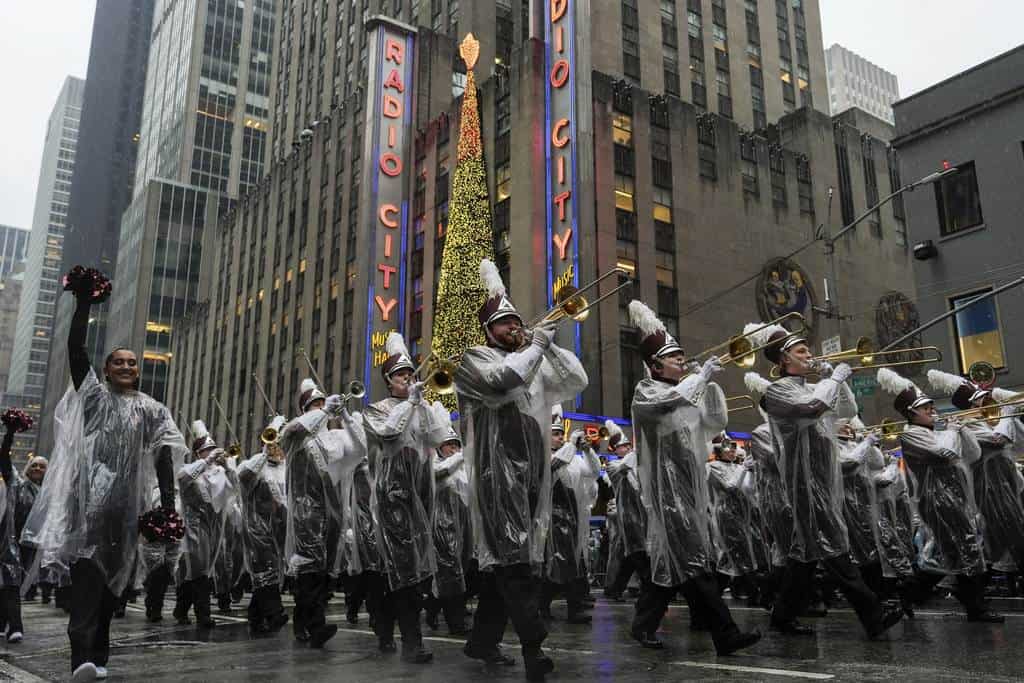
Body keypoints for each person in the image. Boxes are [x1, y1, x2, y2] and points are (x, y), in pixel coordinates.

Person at [21, 267, 187, 683]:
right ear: (108, 370)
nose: (127, 366)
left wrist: (166, 509)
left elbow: (165, 458)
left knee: (112, 593)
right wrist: (83, 305)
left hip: (125, 518)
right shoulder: (94, 398)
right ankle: (81, 663)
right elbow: (77, 352)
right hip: (89, 513)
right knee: (86, 592)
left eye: (133, 361)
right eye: (118, 362)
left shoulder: (152, 409)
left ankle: (99, 659)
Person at [457, 259, 588, 682]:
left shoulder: (534, 357)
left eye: (517, 321)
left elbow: (577, 379)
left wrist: (547, 344)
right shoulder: (473, 358)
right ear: (488, 331)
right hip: (496, 477)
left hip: (532, 473)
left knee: (508, 564)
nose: (514, 328)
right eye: (505, 324)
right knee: (515, 564)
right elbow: (502, 381)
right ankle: (534, 647)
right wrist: (534, 347)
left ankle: (482, 641)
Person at [626, 300, 760, 654]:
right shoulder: (647, 392)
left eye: (682, 358)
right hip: (666, 492)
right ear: (655, 364)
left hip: (689, 488)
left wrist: (709, 385)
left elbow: (714, 424)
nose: (681, 363)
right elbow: (665, 405)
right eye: (675, 359)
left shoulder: (683, 392)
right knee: (695, 561)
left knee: (675, 563)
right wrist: (699, 378)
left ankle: (643, 625)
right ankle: (725, 633)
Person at [756, 323, 902, 639]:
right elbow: (809, 410)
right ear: (783, 360)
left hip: (824, 478)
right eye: (801, 351)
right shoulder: (777, 391)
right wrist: (832, 379)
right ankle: (873, 615)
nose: (810, 355)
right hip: (804, 481)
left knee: (805, 557)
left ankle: (782, 617)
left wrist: (830, 376)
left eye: (809, 350)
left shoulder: (813, 386)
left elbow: (847, 410)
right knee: (834, 547)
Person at [878, 368, 1001, 621]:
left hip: (955, 497)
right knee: (966, 547)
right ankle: (976, 607)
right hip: (936, 500)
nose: (932, 411)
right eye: (925, 408)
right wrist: (953, 431)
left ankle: (912, 594)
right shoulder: (911, 435)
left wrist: (965, 429)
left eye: (932, 406)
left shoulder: (937, 432)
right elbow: (945, 455)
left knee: (954, 553)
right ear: (911, 413)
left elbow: (972, 454)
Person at [363, 331, 449, 663]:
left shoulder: (419, 406)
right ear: (388, 380)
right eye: (401, 375)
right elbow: (389, 435)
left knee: (408, 571)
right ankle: (411, 641)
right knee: (402, 572)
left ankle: (386, 626)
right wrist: (411, 403)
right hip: (391, 498)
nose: (408, 379)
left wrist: (426, 405)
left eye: (410, 374)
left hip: (421, 497)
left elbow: (439, 438)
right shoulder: (375, 410)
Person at [279, 377, 363, 648]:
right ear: (305, 410)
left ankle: (303, 621)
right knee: (310, 567)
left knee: (324, 571)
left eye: (322, 402)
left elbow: (361, 449)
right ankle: (315, 626)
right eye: (313, 405)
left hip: (334, 511)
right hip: (307, 510)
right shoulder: (295, 434)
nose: (320, 408)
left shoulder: (335, 437)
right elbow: (292, 431)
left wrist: (346, 416)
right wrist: (325, 410)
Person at [928, 369, 1024, 573]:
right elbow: (998, 441)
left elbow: (1018, 442)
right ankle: (966, 576)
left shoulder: (992, 419)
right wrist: (1007, 412)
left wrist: (1010, 411)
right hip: (990, 485)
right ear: (971, 406)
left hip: (1006, 479)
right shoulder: (967, 423)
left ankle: (988, 572)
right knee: (1008, 529)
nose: (989, 400)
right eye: (982, 399)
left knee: (1007, 531)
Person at [540, 407, 601, 624]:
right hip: (551, 519)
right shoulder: (543, 456)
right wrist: (570, 446)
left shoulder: (571, 457)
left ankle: (561, 607)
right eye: (555, 434)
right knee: (558, 565)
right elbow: (552, 468)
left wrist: (587, 451)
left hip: (572, 517)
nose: (559, 437)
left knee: (570, 564)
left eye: (560, 434)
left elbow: (593, 472)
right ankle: (552, 606)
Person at [174, 421, 233, 629]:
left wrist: (227, 464)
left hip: (213, 527)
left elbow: (235, 487)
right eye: (206, 450)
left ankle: (181, 608)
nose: (211, 453)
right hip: (194, 527)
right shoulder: (190, 469)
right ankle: (203, 615)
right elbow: (182, 479)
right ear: (199, 453)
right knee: (199, 571)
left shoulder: (218, 473)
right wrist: (206, 461)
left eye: (212, 449)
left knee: (201, 571)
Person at [237, 415, 289, 633]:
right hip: (257, 530)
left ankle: (255, 616)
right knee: (265, 570)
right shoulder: (254, 465)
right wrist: (265, 449)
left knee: (271, 573)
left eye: (279, 444)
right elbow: (244, 475)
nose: (276, 448)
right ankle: (275, 613)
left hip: (279, 529)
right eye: (272, 442)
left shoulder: (286, 468)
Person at [706, 433, 767, 603]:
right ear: (718, 451)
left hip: (745, 513)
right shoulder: (712, 467)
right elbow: (730, 487)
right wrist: (743, 469)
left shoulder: (737, 467)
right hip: (727, 514)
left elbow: (749, 490)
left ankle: (712, 597)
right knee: (739, 552)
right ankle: (755, 594)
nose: (732, 452)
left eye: (734, 449)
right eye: (728, 449)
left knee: (732, 556)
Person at [425, 423, 472, 636]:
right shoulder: (434, 463)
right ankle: (456, 622)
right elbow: (438, 474)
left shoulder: (463, 469)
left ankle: (433, 606)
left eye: (456, 445)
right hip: (442, 526)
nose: (453, 449)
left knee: (459, 570)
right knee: (450, 571)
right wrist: (461, 456)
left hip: (463, 526)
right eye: (448, 445)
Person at [603, 421, 646, 602]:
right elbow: (627, 465)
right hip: (627, 515)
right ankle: (649, 588)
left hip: (642, 514)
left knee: (631, 556)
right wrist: (640, 446)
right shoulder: (613, 466)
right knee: (637, 554)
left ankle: (616, 589)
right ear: (615, 450)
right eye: (622, 446)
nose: (626, 448)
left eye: (628, 445)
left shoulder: (635, 463)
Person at [0, 411, 31, 643]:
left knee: (11, 582)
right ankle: (7, 624)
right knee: (7, 583)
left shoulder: (8, 480)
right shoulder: (12, 481)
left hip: (16, 541)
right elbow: (4, 459)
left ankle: (14, 625)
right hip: (7, 539)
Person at [15, 456, 48, 604]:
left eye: (42, 466)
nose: (37, 469)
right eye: (34, 465)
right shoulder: (20, 488)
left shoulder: (49, 490)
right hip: (23, 536)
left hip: (43, 537)